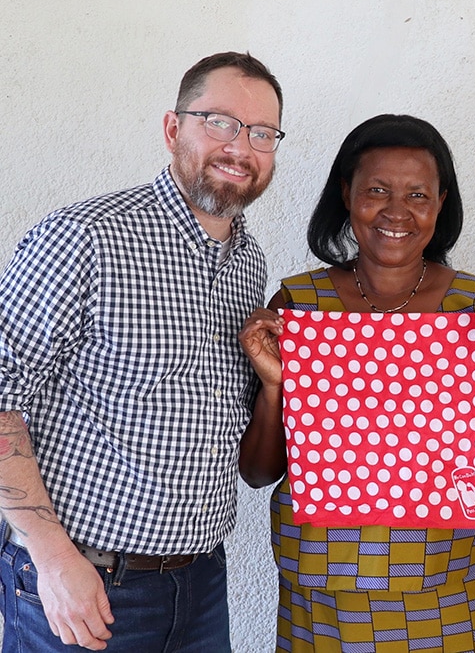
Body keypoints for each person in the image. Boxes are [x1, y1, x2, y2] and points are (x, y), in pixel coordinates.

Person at [0, 51, 284, 651]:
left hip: (201, 582)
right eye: (221, 122)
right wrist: (52, 558)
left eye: (262, 133)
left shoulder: (248, 265)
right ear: (173, 128)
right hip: (87, 581)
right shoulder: (84, 237)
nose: (241, 146)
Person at [238, 113, 475, 652]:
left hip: (451, 596)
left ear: (440, 203)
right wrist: (273, 389)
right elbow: (260, 471)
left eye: (418, 195)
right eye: (377, 190)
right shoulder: (297, 307)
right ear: (346, 194)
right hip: (326, 595)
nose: (396, 212)